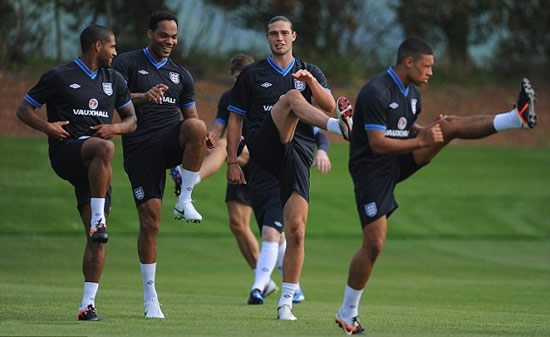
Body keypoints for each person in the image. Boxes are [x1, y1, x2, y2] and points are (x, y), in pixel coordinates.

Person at [334, 36, 537, 335]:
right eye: (427, 66)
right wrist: (421, 139)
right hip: (371, 172)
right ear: (409, 62)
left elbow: (409, 128)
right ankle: (347, 313)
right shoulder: (375, 92)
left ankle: (515, 118)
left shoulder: (413, 93)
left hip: (400, 156)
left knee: (449, 126)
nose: (431, 72)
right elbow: (377, 145)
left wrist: (427, 131)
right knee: (374, 244)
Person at [170, 54, 332, 304]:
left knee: (278, 231)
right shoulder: (230, 98)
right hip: (246, 158)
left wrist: (322, 149)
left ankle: (190, 180)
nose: (241, 82)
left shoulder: (289, 87)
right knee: (239, 224)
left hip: (268, 157)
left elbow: (313, 126)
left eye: (243, 76)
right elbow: (221, 126)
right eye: (236, 78)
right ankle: (268, 279)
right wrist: (212, 141)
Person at [226, 15, 353, 320]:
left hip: (298, 152)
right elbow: (235, 120)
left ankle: (285, 303)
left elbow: (327, 102)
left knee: (296, 230)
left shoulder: (311, 70)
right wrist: (232, 160)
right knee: (292, 98)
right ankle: (341, 129)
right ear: (267, 38)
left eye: (284, 33)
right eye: (273, 33)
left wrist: (311, 82)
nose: (279, 38)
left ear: (294, 36)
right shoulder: (252, 74)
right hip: (263, 146)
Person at [16, 24, 137, 321]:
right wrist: (48, 127)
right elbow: (24, 109)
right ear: (97, 46)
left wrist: (115, 127)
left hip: (97, 169)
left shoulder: (115, 80)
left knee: (97, 239)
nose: (116, 52)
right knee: (105, 149)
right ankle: (99, 218)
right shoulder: (59, 76)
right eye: (112, 46)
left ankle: (87, 305)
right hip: (67, 152)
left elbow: (132, 120)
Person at [112, 11, 214, 319]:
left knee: (196, 127)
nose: (169, 41)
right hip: (140, 147)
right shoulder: (127, 64)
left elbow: (191, 115)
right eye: (163, 35)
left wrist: (203, 137)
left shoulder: (181, 74)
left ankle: (185, 199)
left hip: (170, 139)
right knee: (150, 223)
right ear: (150, 34)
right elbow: (111, 99)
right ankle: (150, 297)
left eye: (173, 36)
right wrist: (143, 97)